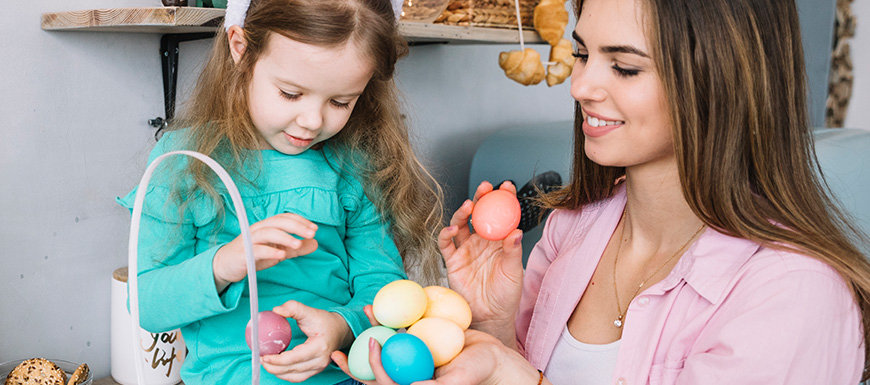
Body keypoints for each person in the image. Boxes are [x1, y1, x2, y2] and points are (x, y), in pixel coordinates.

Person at [333, 0, 870, 383]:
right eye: (584, 54)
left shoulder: (794, 295)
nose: (581, 86)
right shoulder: (575, 227)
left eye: (626, 66)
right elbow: (519, 366)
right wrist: (493, 324)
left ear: (719, 78)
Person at [117, 0, 445, 384]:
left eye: (341, 102)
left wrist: (341, 326)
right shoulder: (185, 162)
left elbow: (385, 292)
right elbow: (146, 304)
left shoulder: (354, 163)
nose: (312, 121)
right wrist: (224, 263)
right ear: (240, 46)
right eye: (291, 94)